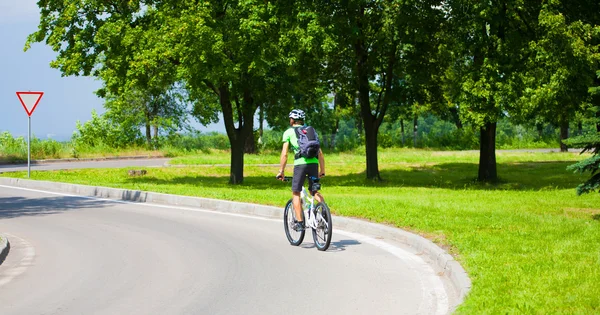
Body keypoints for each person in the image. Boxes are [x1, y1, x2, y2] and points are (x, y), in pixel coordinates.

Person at [277, 109, 326, 231]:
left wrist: (281, 171)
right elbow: (320, 153)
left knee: (296, 193)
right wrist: (322, 169)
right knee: (314, 191)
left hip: (300, 165)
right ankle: (324, 216)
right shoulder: (311, 131)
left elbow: (284, 154)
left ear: (292, 120)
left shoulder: (288, 132)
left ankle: (300, 222)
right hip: (314, 164)